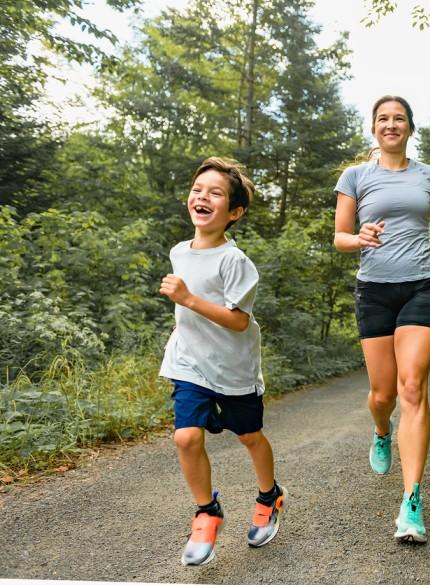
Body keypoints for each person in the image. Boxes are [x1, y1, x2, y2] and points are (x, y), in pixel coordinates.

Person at [333, 95, 430, 543]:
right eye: (383, 119)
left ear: (411, 128)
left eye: (399, 119)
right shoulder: (355, 176)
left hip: (420, 287)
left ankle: (411, 501)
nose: (391, 125)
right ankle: (380, 430)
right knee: (382, 394)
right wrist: (360, 238)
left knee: (413, 386)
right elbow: (339, 237)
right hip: (374, 291)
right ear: (373, 128)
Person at [159, 156, 286, 566]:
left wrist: (189, 300)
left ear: (234, 212)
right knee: (186, 437)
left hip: (233, 368)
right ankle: (206, 511)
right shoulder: (180, 251)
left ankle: (270, 495)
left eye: (216, 193)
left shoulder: (236, 262)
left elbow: (237, 320)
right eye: (199, 190)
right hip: (189, 362)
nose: (203, 197)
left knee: (249, 436)